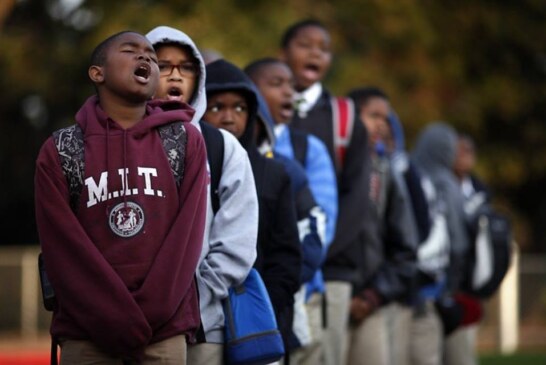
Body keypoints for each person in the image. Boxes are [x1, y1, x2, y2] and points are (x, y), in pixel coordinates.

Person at [35, 31, 208, 364]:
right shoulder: (60, 149)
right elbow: (63, 249)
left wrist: (149, 313)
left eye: (150, 56)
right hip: (87, 334)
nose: (145, 58)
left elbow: (186, 241)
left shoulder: (184, 140)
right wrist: (113, 317)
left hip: (163, 331)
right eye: (130, 50)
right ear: (97, 73)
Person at [146, 26, 259, 365]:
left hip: (201, 327)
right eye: (163, 65)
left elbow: (238, 239)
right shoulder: (115, 142)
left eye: (186, 67)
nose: (175, 76)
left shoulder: (222, 147)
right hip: (125, 324)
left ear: (199, 75)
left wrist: (199, 296)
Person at [280, 19, 370, 365]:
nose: (315, 52)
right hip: (269, 267)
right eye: (305, 44)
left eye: (324, 48)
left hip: (329, 269)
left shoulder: (345, 118)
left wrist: (317, 254)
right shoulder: (258, 106)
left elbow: (357, 197)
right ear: (283, 52)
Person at [204, 58, 303, 358]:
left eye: (240, 108)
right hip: (198, 318)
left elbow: (286, 256)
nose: (229, 117)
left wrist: (260, 307)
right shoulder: (181, 165)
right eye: (217, 107)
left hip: (255, 322)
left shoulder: (273, 174)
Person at [245, 57, 338, 364]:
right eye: (276, 84)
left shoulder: (306, 149)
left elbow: (322, 222)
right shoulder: (224, 152)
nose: (289, 93)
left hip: (303, 290)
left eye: (291, 86)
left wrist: (284, 283)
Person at [346, 87, 418, 365]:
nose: (382, 126)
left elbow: (405, 247)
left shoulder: (385, 173)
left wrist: (374, 295)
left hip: (369, 304)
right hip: (329, 296)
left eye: (386, 119)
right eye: (373, 115)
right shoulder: (327, 165)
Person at [411, 123, 472, 364]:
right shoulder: (446, 183)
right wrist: (452, 289)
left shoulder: (408, 172)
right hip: (435, 290)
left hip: (405, 286)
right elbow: (458, 243)